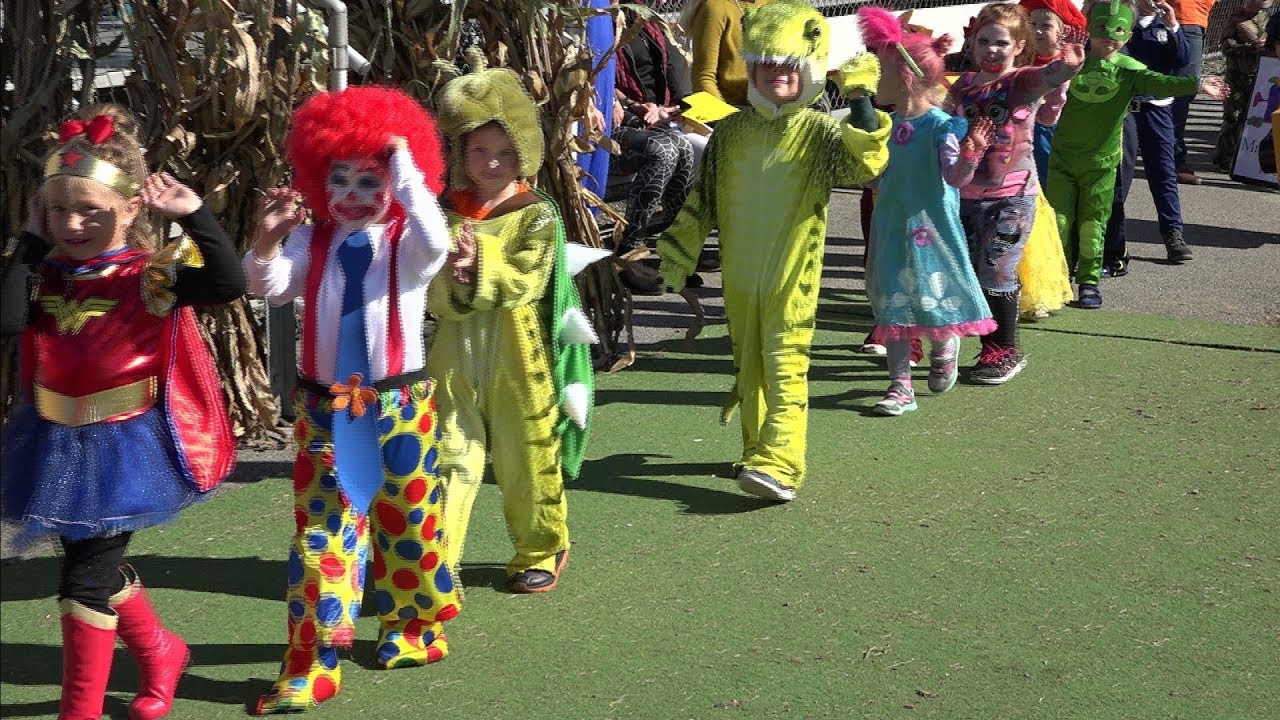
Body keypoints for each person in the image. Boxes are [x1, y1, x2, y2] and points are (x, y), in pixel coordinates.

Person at [0, 104, 243, 720]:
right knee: (91, 564)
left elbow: (226, 284)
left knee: (82, 581)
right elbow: (5, 322)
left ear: (131, 208)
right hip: (53, 437)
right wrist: (29, 242)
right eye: (59, 209)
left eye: (91, 209)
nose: (74, 223)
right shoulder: (43, 273)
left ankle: (78, 713)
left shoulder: (150, 274)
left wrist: (195, 217)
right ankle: (160, 651)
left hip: (123, 448)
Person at [244, 86, 461, 713]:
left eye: (372, 182)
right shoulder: (310, 243)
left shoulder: (408, 247)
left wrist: (405, 167)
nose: (357, 197)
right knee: (324, 536)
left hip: (401, 405)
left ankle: (415, 627)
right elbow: (272, 289)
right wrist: (264, 240)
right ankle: (315, 662)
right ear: (319, 182)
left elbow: (437, 237)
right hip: (325, 409)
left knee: (411, 523)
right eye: (341, 180)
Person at [657, 0, 891, 501]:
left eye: (788, 63)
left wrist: (862, 98)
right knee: (749, 363)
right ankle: (756, 449)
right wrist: (676, 254)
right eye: (764, 61)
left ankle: (782, 462)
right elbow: (704, 200)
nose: (776, 72)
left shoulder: (821, 132)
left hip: (792, 274)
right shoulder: (732, 132)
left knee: (785, 363)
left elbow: (867, 166)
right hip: (740, 279)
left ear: (807, 67)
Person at [430, 54, 596, 594]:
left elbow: (526, 280)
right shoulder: (443, 214)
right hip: (452, 359)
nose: (492, 163)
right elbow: (432, 299)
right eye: (479, 150)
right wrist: (451, 281)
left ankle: (543, 546)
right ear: (461, 153)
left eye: (504, 153)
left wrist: (480, 267)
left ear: (523, 154)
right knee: (449, 455)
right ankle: (436, 563)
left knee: (526, 456)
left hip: (520, 358)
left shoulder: (537, 214)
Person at [856, 7, 997, 416]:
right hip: (892, 227)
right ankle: (900, 387)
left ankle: (944, 346)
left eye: (880, 73)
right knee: (894, 306)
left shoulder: (940, 127)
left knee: (935, 297)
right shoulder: (884, 125)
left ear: (904, 78)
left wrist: (971, 152)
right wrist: (863, 167)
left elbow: (954, 179)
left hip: (931, 230)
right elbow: (877, 178)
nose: (874, 82)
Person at [1047, 0, 1226, 310]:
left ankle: (1089, 283)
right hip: (1062, 160)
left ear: (1127, 35)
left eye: (1117, 30)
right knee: (1060, 222)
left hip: (1101, 163)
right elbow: (1033, 81)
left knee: (1093, 223)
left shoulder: (1129, 69)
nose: (1108, 36)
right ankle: (1057, 282)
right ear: (1089, 26)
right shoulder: (1071, 62)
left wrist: (1196, 83)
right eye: (1100, 28)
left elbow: (1162, 81)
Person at [946, 2, 1084, 384]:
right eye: (984, 41)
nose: (992, 49)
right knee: (974, 271)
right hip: (966, 194)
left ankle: (1005, 351)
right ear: (972, 44)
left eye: (1002, 43)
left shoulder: (1021, 80)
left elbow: (1050, 76)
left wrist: (1067, 65)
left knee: (997, 270)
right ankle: (978, 345)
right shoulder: (962, 85)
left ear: (1019, 46)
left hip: (1012, 197)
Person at [1102, 0, 1195, 277]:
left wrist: (1173, 25)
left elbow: (1182, 60)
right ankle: (1113, 244)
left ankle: (1173, 234)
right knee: (1120, 177)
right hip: (1125, 110)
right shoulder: (1123, 22)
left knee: (1164, 173)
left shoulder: (1164, 25)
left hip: (1157, 110)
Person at [611, 0, 696, 282]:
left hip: (653, 117)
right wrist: (637, 105)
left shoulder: (646, 20)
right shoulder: (596, 22)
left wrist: (675, 106)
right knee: (662, 151)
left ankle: (675, 248)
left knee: (683, 146)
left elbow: (671, 68)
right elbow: (599, 80)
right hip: (611, 125)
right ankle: (630, 250)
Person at [1019, 0, 1088, 181]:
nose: (1037, 30)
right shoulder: (1021, 61)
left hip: (1055, 134)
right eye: (1032, 25)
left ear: (1063, 31)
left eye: (1045, 25)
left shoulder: (1070, 64)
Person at [1213, 0, 1275, 171]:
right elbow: (1225, 46)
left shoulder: (1266, 18)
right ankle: (1224, 157)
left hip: (1259, 74)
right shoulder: (1236, 19)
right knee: (1233, 116)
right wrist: (1248, 47)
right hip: (1237, 75)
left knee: (1253, 117)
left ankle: (1245, 157)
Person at [1166, 0, 1217, 184]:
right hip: (1184, 19)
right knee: (1181, 91)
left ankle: (1167, 159)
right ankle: (1172, 162)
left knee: (1173, 91)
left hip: (1186, 19)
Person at [684, 0, 773, 107]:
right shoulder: (716, 7)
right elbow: (703, 79)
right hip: (734, 108)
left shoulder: (780, 5)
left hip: (775, 109)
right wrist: (727, 120)